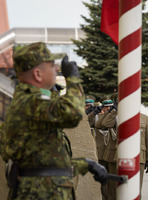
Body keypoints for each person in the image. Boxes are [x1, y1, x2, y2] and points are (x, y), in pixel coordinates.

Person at [0, 42, 108, 200]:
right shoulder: (32, 102)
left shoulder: (29, 103)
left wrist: (86, 165)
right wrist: (73, 79)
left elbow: (46, 163)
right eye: (52, 65)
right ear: (37, 74)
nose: (57, 69)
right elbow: (73, 114)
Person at [100, 100, 148, 199]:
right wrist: (114, 111)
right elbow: (105, 124)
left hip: (139, 158)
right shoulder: (118, 116)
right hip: (120, 156)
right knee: (115, 189)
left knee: (136, 189)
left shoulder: (144, 118)